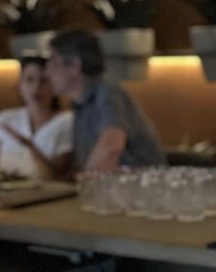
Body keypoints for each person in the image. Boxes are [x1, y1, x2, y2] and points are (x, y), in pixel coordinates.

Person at [45, 29, 164, 173]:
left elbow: (111, 146)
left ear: (75, 66)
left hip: (144, 190)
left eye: (53, 61)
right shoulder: (79, 104)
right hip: (115, 189)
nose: (47, 71)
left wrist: (84, 188)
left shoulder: (107, 92)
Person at [0, 55, 74, 180]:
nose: (36, 87)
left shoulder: (67, 121)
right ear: (20, 85)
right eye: (29, 79)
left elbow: (56, 177)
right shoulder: (6, 118)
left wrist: (28, 145)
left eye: (44, 80)